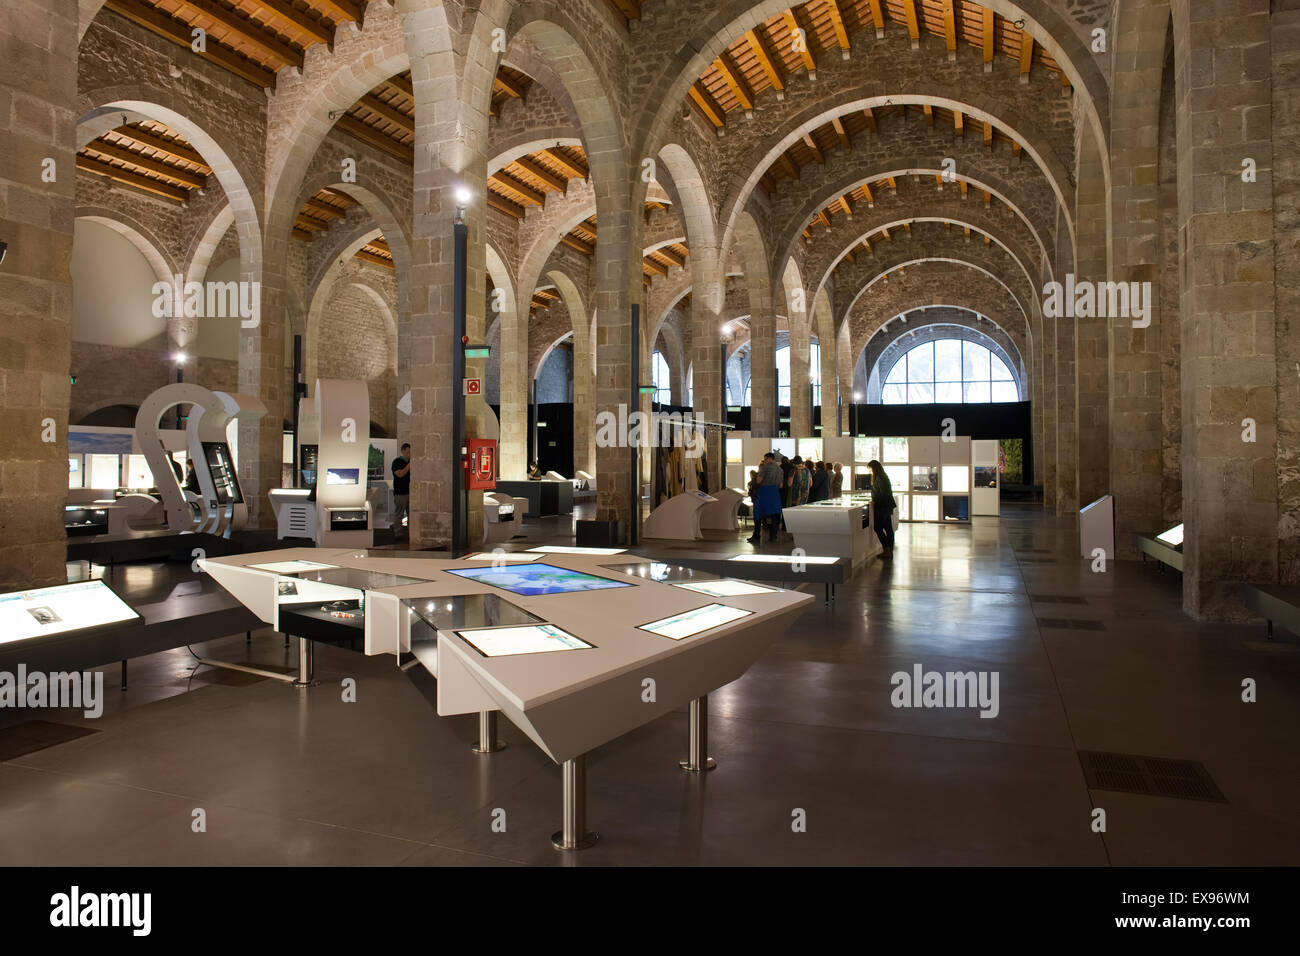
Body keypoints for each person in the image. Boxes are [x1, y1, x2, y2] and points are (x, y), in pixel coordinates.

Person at [748, 453, 784, 544]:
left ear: (768, 459)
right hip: (775, 493)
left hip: (765, 492)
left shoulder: (765, 467)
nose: (764, 461)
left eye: (765, 459)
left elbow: (758, 480)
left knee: (758, 513)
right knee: (775, 515)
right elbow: (781, 485)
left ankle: (756, 536)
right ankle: (773, 536)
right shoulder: (780, 469)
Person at [867, 459, 897, 558]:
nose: (870, 471)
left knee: (878, 527)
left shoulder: (880, 478)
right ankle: (888, 550)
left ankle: (887, 549)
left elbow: (882, 493)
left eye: (870, 469)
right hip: (886, 506)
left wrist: (875, 501)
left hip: (882, 507)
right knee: (888, 528)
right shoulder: (883, 477)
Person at [391, 442, 411, 537]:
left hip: (411, 492)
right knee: (399, 513)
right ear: (403, 451)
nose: (409, 454)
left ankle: (410, 533)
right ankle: (398, 533)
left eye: (410, 452)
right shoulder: (397, 462)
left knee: (411, 514)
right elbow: (400, 474)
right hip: (400, 493)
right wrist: (409, 465)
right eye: (408, 452)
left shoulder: (410, 461)